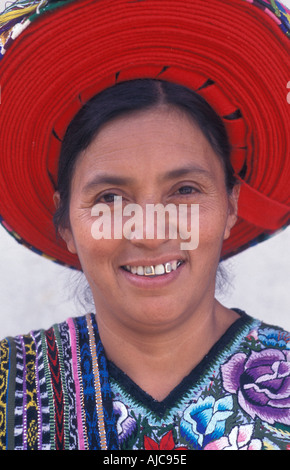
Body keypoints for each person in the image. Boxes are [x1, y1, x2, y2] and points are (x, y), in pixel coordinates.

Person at [0, 0, 289, 451]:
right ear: (66, 223)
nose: (150, 232)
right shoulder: (11, 382)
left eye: (185, 191)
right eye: (110, 198)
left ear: (231, 205)